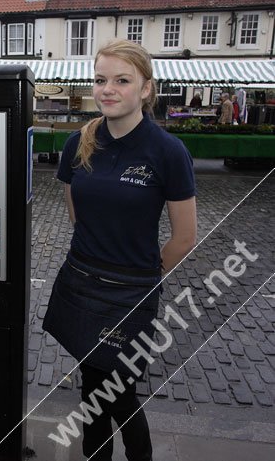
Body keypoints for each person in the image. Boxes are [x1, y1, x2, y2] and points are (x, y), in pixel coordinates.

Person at [43, 39, 197, 461]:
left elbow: (184, 236)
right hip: (81, 283)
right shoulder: (81, 142)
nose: (108, 89)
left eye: (122, 80)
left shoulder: (167, 152)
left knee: (118, 393)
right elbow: (76, 210)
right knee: (95, 388)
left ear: (146, 89)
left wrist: (142, 278)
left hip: (130, 295)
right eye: (100, 79)